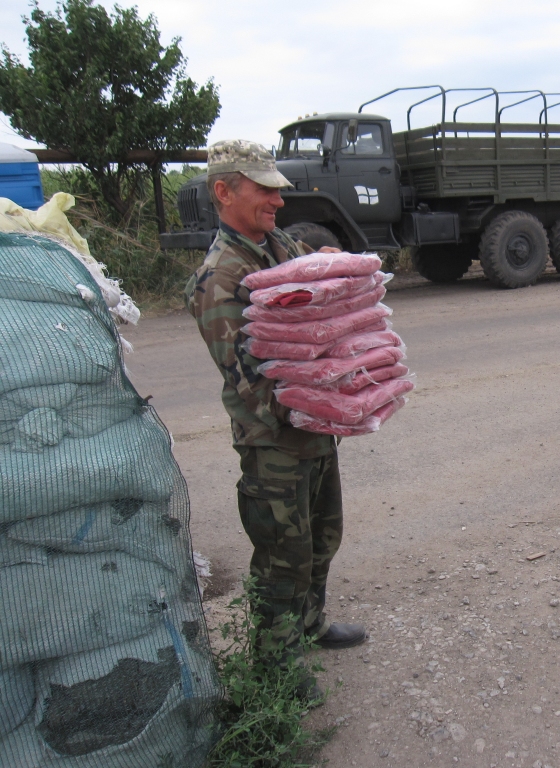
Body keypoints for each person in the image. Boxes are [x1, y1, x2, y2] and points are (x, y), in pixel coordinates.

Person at [185, 140, 365, 699]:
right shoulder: (221, 277)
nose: (277, 201)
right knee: (281, 555)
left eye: (277, 189)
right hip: (274, 440)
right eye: (263, 189)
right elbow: (250, 375)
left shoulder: (279, 245)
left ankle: (309, 625)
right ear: (224, 191)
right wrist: (318, 392)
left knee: (322, 536)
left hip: (315, 426)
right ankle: (277, 668)